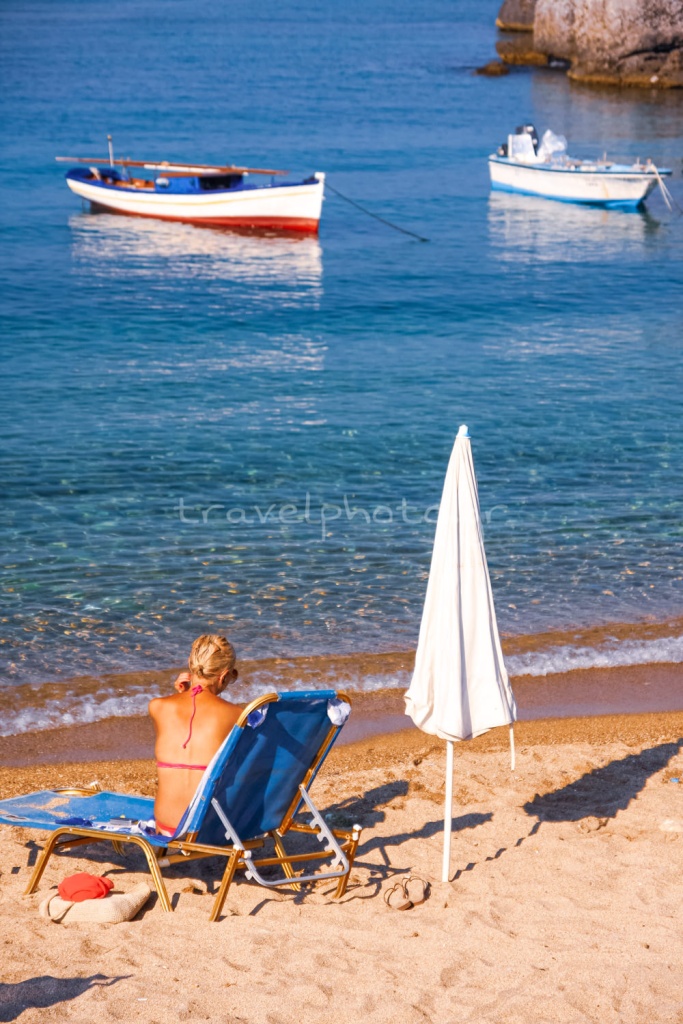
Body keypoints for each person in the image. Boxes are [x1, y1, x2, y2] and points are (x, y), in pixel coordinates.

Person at [149, 634, 241, 835]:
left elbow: (179, 741)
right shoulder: (237, 716)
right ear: (224, 675)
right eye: (232, 675)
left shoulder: (157, 707)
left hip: (165, 826)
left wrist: (183, 693)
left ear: (191, 667)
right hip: (208, 828)